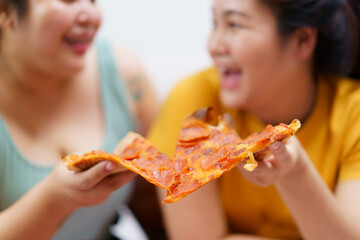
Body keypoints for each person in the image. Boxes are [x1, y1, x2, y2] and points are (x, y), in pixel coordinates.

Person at [147, 0, 360, 239]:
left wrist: (295, 171)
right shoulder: (194, 105)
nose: (214, 45)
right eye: (214, 23)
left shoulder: (353, 113)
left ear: (302, 40)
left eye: (234, 24)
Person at [0, 0, 157, 239]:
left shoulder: (125, 75)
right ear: (5, 10)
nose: (90, 16)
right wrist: (55, 199)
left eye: (93, 1)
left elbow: (155, 214)